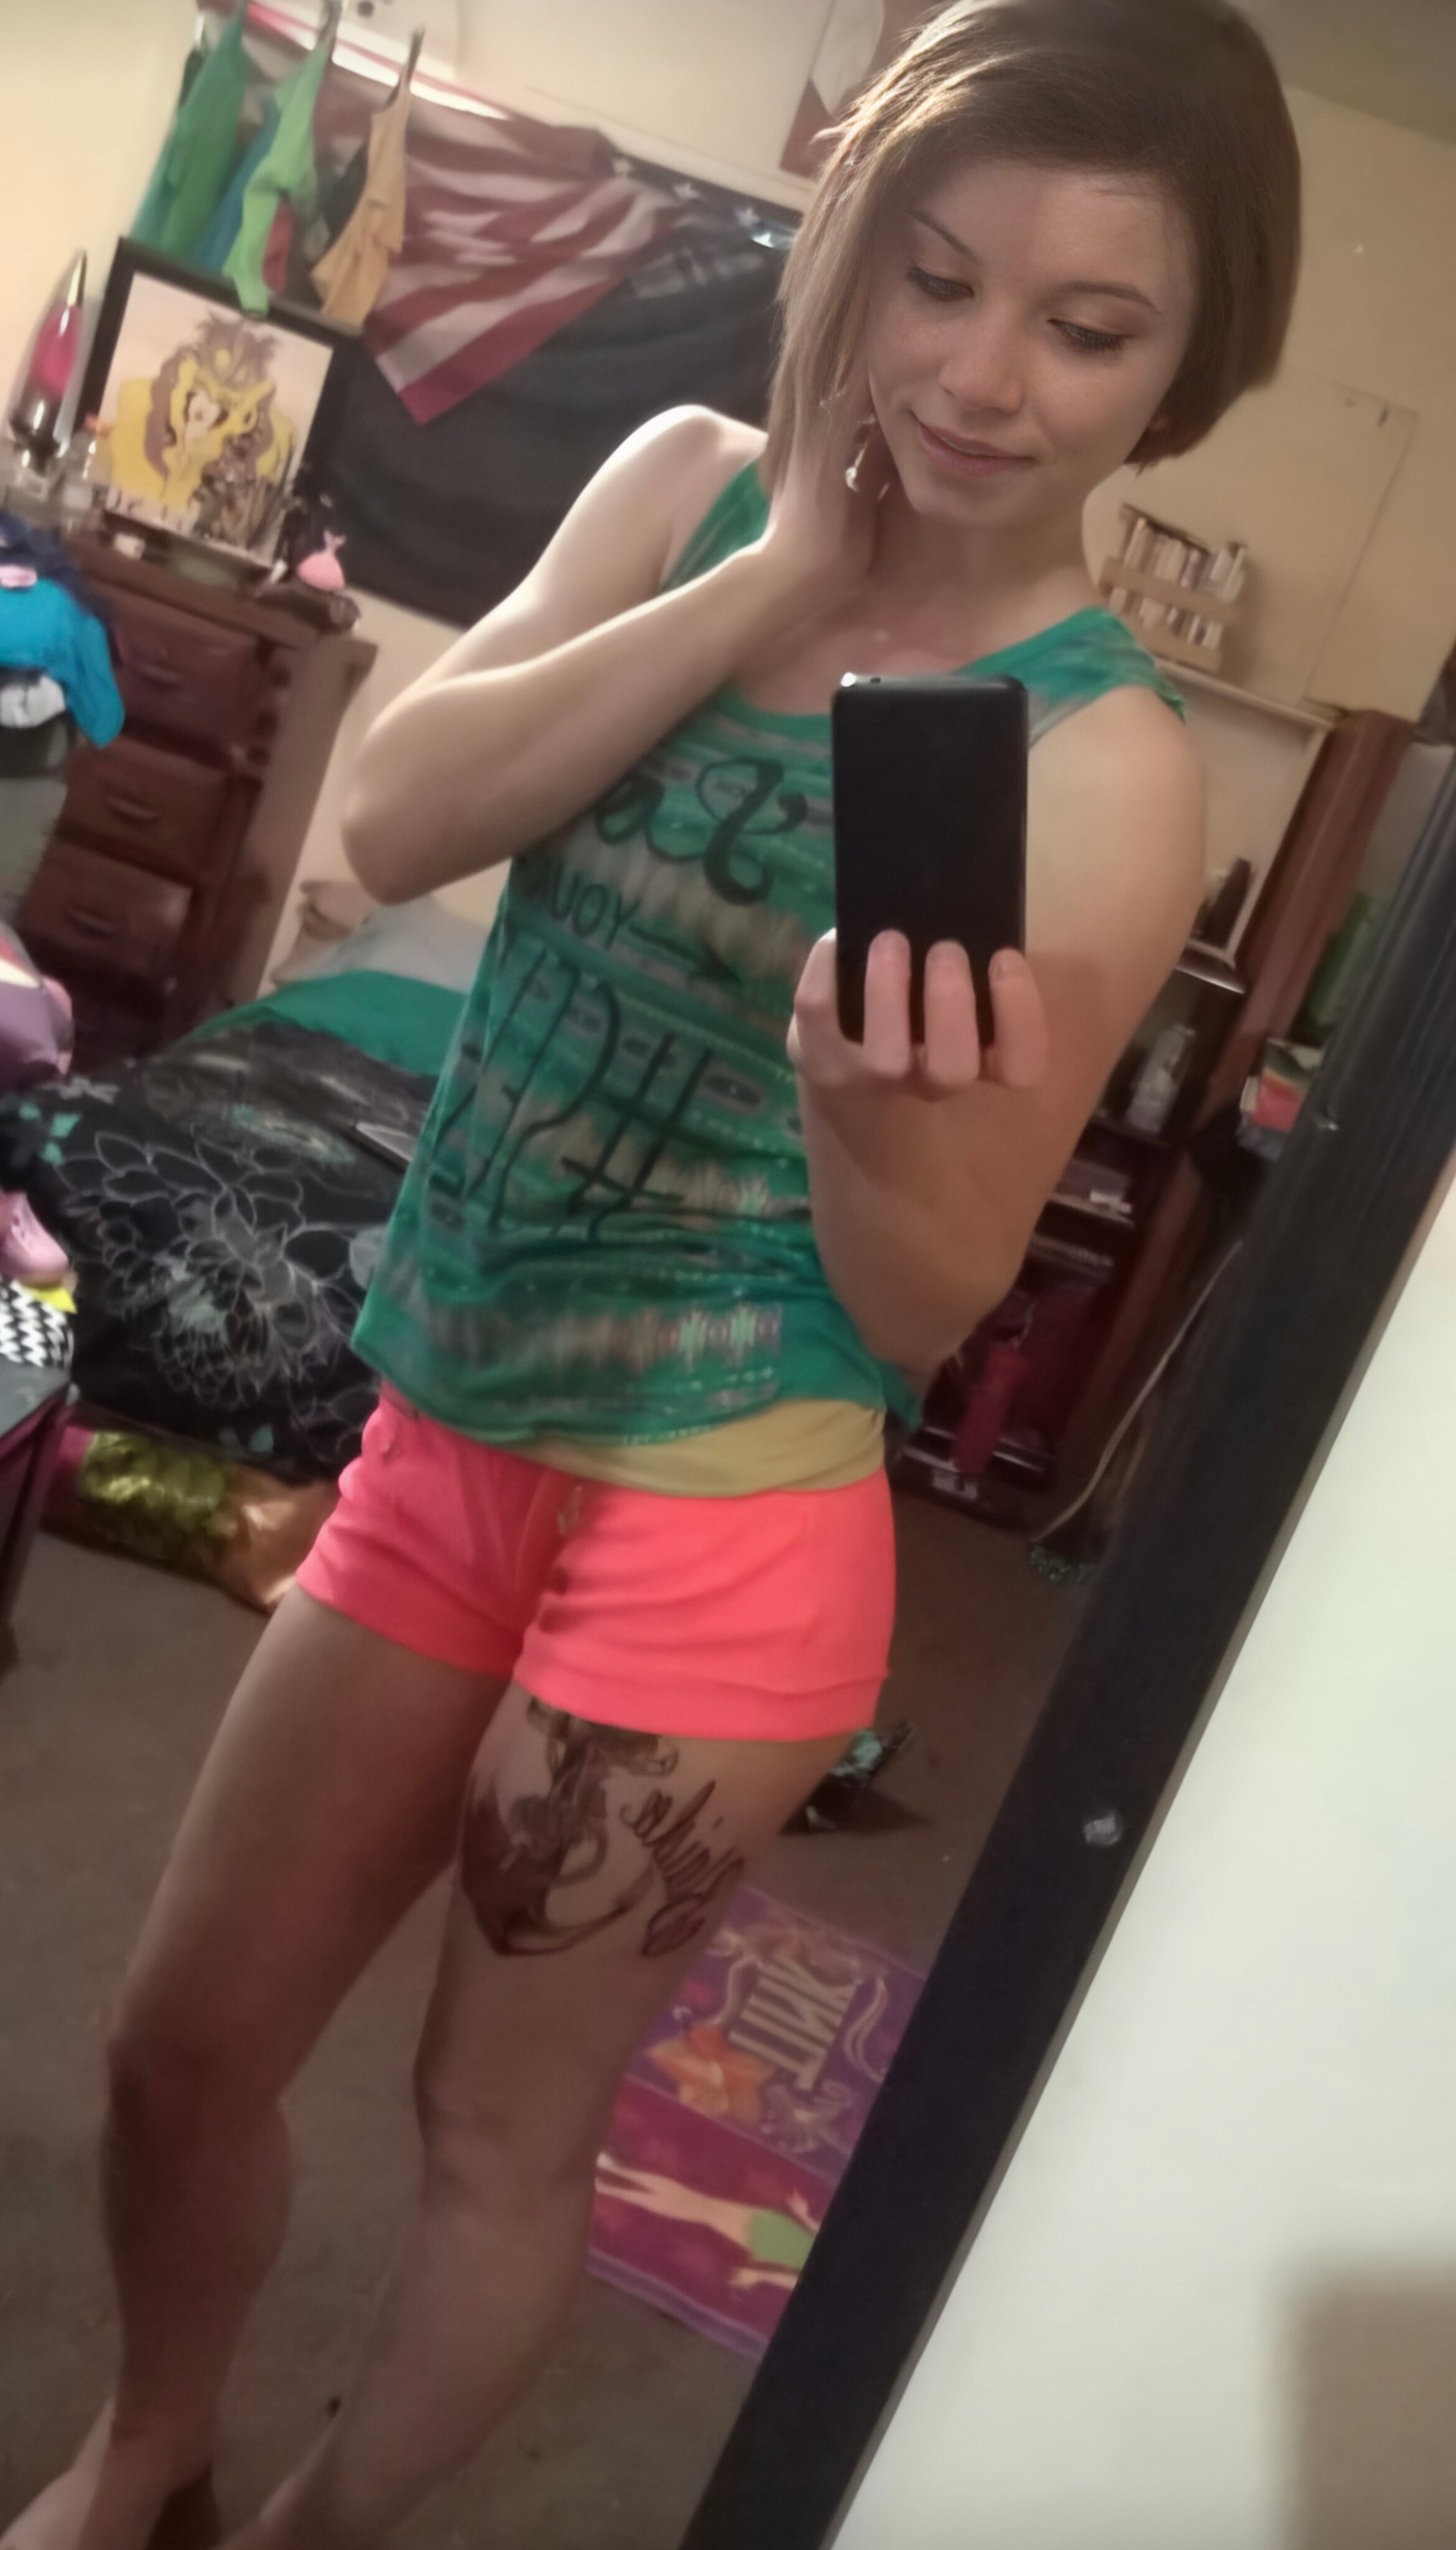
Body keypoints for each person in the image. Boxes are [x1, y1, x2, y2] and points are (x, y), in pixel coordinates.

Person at [7, 1, 1299, 2543]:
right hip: (445, 1433)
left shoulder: (1100, 764)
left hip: (721, 1525)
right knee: (181, 2043)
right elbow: (396, 818)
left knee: (489, 2146)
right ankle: (144, 2440)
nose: (984, 379)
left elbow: (919, 1307)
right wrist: (784, 583)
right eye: (937, 279)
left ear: (1184, 364)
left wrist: (859, 1109)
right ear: (858, 248)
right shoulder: (688, 485)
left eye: (1086, 328)